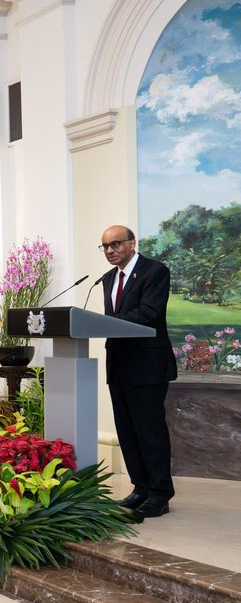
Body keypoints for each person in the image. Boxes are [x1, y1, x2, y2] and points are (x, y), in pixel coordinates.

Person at [99, 224, 178, 522]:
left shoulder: (155, 271)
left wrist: (107, 323)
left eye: (116, 244)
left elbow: (149, 314)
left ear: (132, 243)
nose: (110, 250)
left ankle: (159, 494)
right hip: (118, 365)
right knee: (128, 431)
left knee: (149, 431)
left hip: (147, 366)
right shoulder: (109, 279)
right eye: (105, 246)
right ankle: (140, 488)